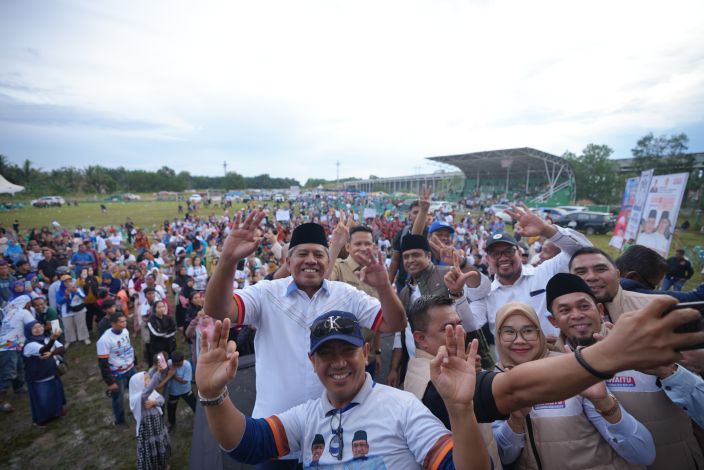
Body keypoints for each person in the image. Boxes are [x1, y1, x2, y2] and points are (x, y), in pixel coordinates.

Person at [204, 214, 407, 469]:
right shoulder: (268, 293)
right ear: (288, 262)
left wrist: (384, 286)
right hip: (275, 436)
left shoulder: (346, 294)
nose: (311, 260)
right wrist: (228, 260)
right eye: (302, 254)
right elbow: (218, 309)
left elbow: (394, 323)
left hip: (332, 440)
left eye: (319, 254)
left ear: (328, 261)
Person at [196, 312, 491, 470]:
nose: (338, 362)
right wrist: (212, 395)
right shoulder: (308, 415)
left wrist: (461, 410)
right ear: (313, 362)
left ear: (365, 353)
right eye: (326, 354)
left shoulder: (403, 408)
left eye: (347, 351)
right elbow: (247, 443)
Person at [547, 272, 704, 470]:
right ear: (553, 321)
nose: (577, 314)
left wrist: (669, 372)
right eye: (565, 310)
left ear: (600, 309)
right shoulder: (550, 366)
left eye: (584, 306)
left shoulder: (645, 347)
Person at [492, 301, 654, 469]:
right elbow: (505, 457)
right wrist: (516, 421)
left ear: (540, 333)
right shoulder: (494, 381)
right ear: (497, 336)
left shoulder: (567, 368)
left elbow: (643, 454)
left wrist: (603, 401)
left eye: (528, 331)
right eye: (509, 332)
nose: (519, 340)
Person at [403, 295, 502, 468]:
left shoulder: (434, 366)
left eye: (459, 324)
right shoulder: (432, 385)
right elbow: (512, 391)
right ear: (420, 338)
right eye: (447, 328)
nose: (460, 332)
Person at [466, 204, 592, 338]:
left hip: (556, 356)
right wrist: (456, 294)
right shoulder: (486, 294)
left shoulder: (545, 272)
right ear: (487, 259)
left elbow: (584, 252)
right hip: (510, 359)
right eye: (495, 254)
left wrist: (546, 230)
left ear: (520, 253)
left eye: (508, 251)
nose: (503, 257)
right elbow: (471, 324)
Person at [387, 234, 490, 387]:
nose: (410, 260)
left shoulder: (448, 274)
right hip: (422, 371)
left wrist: (462, 264)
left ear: (428, 256)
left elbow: (482, 290)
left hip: (455, 367)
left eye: (415, 255)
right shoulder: (404, 293)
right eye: (406, 257)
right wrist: (394, 368)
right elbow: (401, 334)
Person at [22, 322, 66, 426]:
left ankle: (57, 412)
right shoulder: (30, 345)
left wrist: (52, 353)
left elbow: (61, 348)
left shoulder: (46, 338)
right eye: (34, 328)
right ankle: (43, 419)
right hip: (39, 376)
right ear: (29, 331)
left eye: (39, 326)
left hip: (51, 372)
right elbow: (43, 350)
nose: (38, 329)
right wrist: (53, 339)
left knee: (55, 394)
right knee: (43, 398)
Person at [97, 312, 136, 426]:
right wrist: (110, 382)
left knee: (136, 391)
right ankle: (120, 421)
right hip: (117, 373)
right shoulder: (104, 340)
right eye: (121, 322)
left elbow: (129, 347)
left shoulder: (125, 331)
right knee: (118, 398)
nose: (125, 324)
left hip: (130, 368)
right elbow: (103, 363)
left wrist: (134, 362)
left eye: (125, 321)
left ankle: (136, 411)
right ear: (113, 324)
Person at [129, 365, 170, 470]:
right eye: (146, 379)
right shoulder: (139, 397)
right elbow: (147, 391)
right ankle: (153, 466)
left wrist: (154, 402)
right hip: (148, 428)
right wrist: (157, 374)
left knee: (160, 442)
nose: (149, 380)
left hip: (157, 424)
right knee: (151, 447)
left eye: (149, 378)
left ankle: (163, 463)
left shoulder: (151, 393)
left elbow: (162, 400)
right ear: (138, 384)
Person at [0, 295, 34, 412]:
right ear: (26, 304)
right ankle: (2, 401)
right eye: (30, 303)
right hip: (10, 345)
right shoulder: (23, 312)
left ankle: (18, 387)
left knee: (19, 366)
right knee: (8, 373)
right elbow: (33, 327)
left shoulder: (9, 313)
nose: (31, 306)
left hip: (7, 344)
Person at [56, 274, 90, 346]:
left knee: (81, 324)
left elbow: (84, 297)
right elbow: (59, 301)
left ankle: (84, 337)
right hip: (66, 311)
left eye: (69, 280)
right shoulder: (60, 291)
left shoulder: (76, 287)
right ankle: (70, 340)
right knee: (68, 326)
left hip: (78, 309)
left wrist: (76, 292)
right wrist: (65, 296)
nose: (68, 282)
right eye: (65, 281)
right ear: (62, 282)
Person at [165, 350, 195, 430]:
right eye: (175, 364)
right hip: (173, 392)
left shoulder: (187, 365)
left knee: (195, 405)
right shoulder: (169, 363)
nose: (177, 366)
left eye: (179, 364)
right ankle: (171, 423)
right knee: (171, 408)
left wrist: (173, 375)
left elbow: (184, 381)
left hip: (186, 390)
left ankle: (201, 420)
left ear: (183, 360)